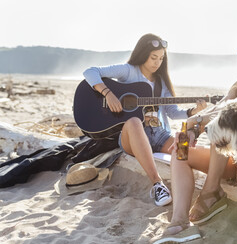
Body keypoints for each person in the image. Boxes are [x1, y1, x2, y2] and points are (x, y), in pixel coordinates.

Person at [151, 24, 237, 244]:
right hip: (232, 161)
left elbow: (230, 116)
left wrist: (195, 124)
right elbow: (220, 108)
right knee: (180, 149)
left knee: (224, 128)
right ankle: (180, 220)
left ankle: (211, 190)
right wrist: (190, 128)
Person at [83, 33, 206, 206]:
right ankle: (158, 184)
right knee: (133, 121)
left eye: (161, 59)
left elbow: (173, 112)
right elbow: (90, 72)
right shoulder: (128, 71)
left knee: (184, 148)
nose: (157, 62)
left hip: (158, 135)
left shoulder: (161, 82)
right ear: (143, 54)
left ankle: (213, 174)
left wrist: (193, 111)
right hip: (131, 136)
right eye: (153, 57)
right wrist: (108, 94)